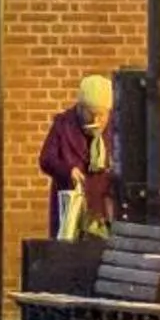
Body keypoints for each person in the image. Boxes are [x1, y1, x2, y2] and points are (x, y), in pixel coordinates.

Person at [38, 73, 118, 238]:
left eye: (101, 114)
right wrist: (68, 171)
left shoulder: (116, 128)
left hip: (102, 208)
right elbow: (46, 159)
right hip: (71, 207)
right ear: (80, 108)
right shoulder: (64, 123)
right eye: (90, 113)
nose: (96, 119)